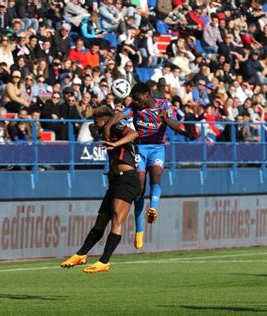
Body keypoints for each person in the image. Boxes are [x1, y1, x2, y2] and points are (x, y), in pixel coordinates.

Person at [103, 83, 183, 249]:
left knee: (156, 175)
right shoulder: (134, 107)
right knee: (139, 186)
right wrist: (109, 125)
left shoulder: (164, 105)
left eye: (138, 100)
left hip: (157, 148)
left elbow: (178, 127)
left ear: (147, 95)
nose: (136, 103)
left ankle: (153, 209)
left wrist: (165, 119)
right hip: (140, 148)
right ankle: (139, 231)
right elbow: (119, 116)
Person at [60, 106, 140, 273]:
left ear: (105, 121)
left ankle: (104, 261)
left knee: (117, 220)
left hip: (128, 179)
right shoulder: (106, 133)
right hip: (117, 180)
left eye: (97, 123)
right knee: (101, 221)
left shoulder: (115, 126)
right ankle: (81, 254)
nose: (95, 127)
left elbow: (133, 134)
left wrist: (115, 143)